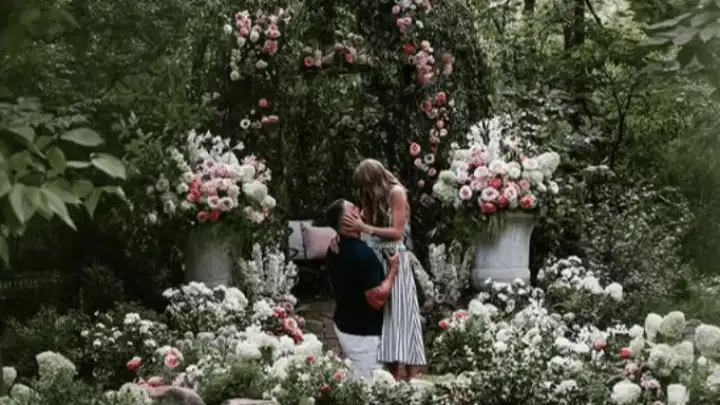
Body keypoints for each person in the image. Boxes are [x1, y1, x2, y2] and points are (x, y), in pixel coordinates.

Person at [343, 158, 426, 381]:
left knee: (403, 315)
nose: (364, 191)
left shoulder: (396, 193)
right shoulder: (371, 195)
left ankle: (411, 378)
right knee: (383, 319)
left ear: (374, 179)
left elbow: (397, 232)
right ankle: (391, 377)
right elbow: (363, 223)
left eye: (366, 185)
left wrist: (365, 227)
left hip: (393, 256)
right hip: (375, 256)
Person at [324, 198, 400, 381]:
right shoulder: (361, 254)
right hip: (362, 334)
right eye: (354, 208)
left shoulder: (335, 248)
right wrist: (392, 270)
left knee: (354, 377)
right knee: (369, 385)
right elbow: (377, 299)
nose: (359, 209)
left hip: (345, 323)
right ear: (348, 220)